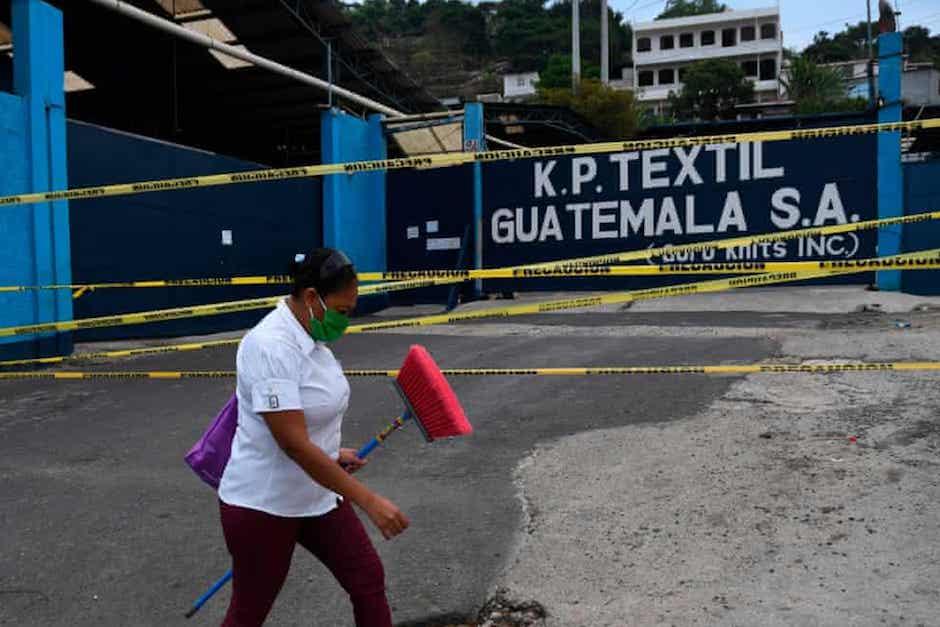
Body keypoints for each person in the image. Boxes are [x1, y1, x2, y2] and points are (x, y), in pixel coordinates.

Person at [217, 248, 409, 627]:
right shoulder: (270, 347)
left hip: (316, 494)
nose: (346, 321)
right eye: (343, 311)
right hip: (264, 505)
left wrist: (332, 452)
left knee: (367, 580)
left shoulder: (311, 336)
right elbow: (292, 443)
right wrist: (369, 501)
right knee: (249, 611)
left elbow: (306, 426)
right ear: (310, 298)